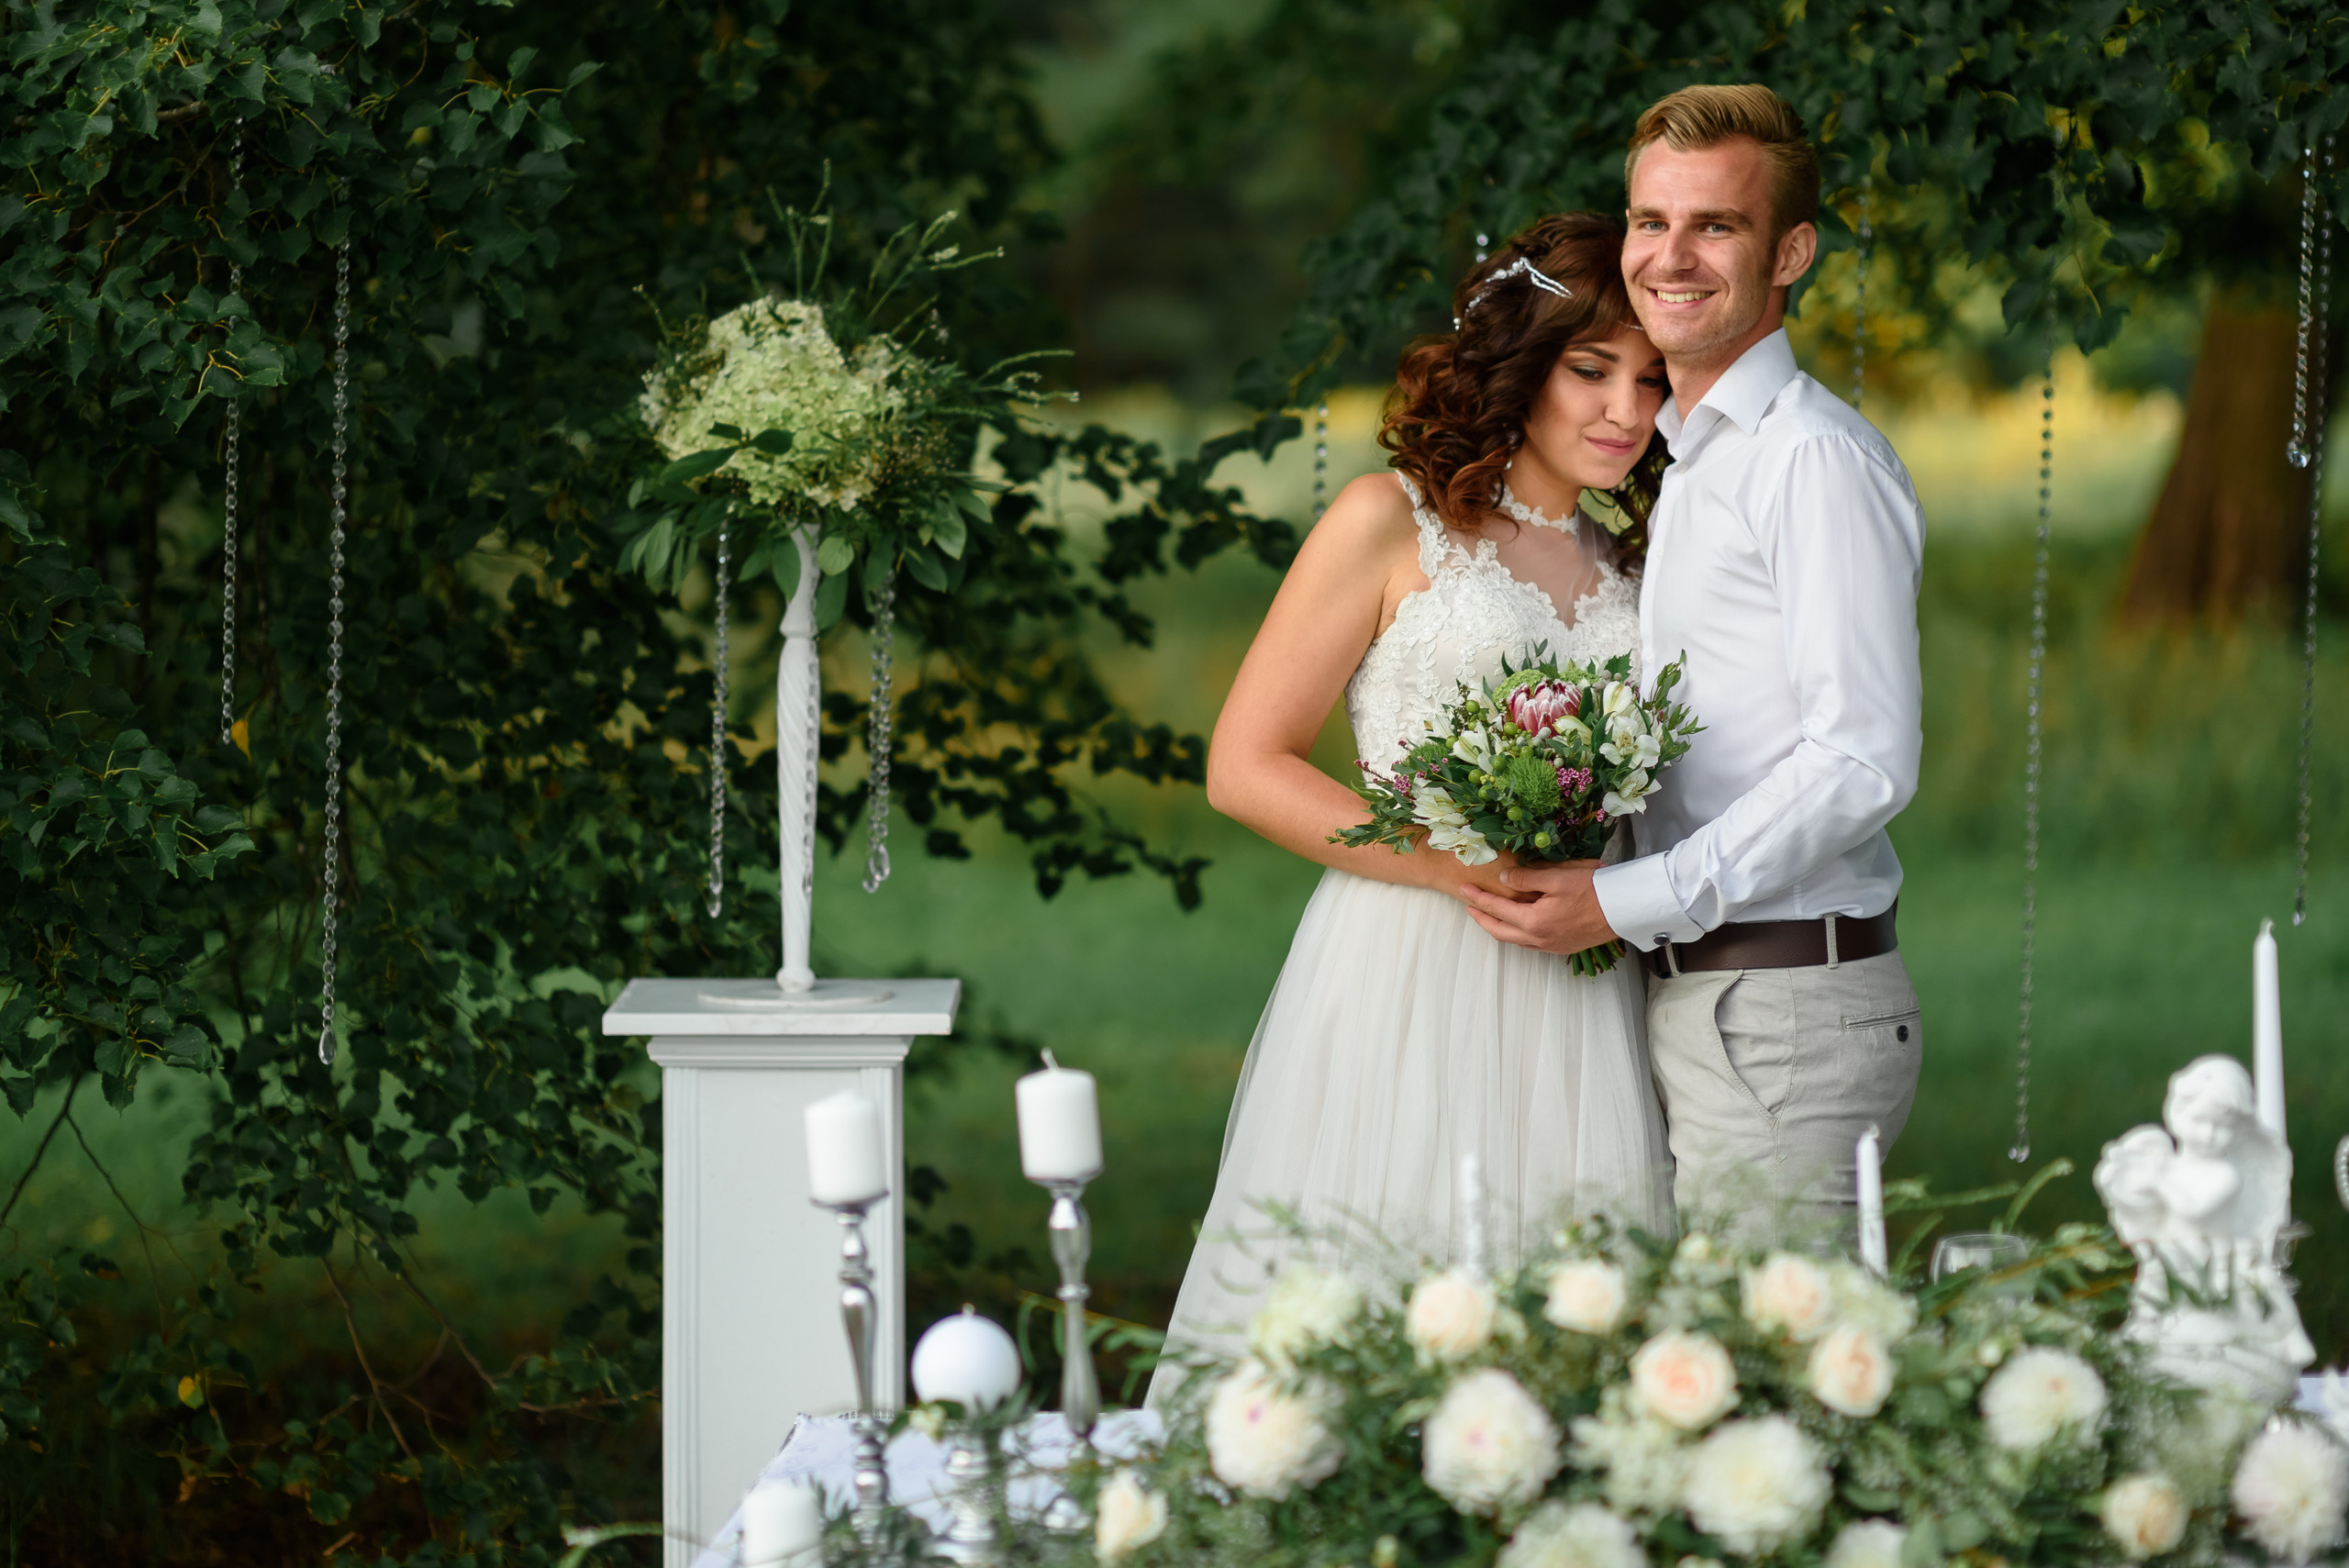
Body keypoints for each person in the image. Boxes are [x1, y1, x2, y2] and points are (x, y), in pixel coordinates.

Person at [1149, 213, 1675, 1405]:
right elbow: (1245, 764)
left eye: (1650, 380)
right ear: (1520, 363)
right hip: (1406, 955)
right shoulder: (1389, 521)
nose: (1625, 411)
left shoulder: (1636, 566)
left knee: (1562, 1321)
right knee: (1369, 1302)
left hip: (1583, 981)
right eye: (1591, 369)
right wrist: (1451, 866)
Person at [1459, 84, 1927, 1219]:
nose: (1669, 257)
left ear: (1790, 253)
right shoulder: (1695, 458)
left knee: (1770, 1335)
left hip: (1784, 1006)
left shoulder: (1808, 458)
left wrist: (1628, 897)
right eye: (1649, 221)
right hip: (1704, 1001)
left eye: (1714, 225)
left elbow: (1862, 759)